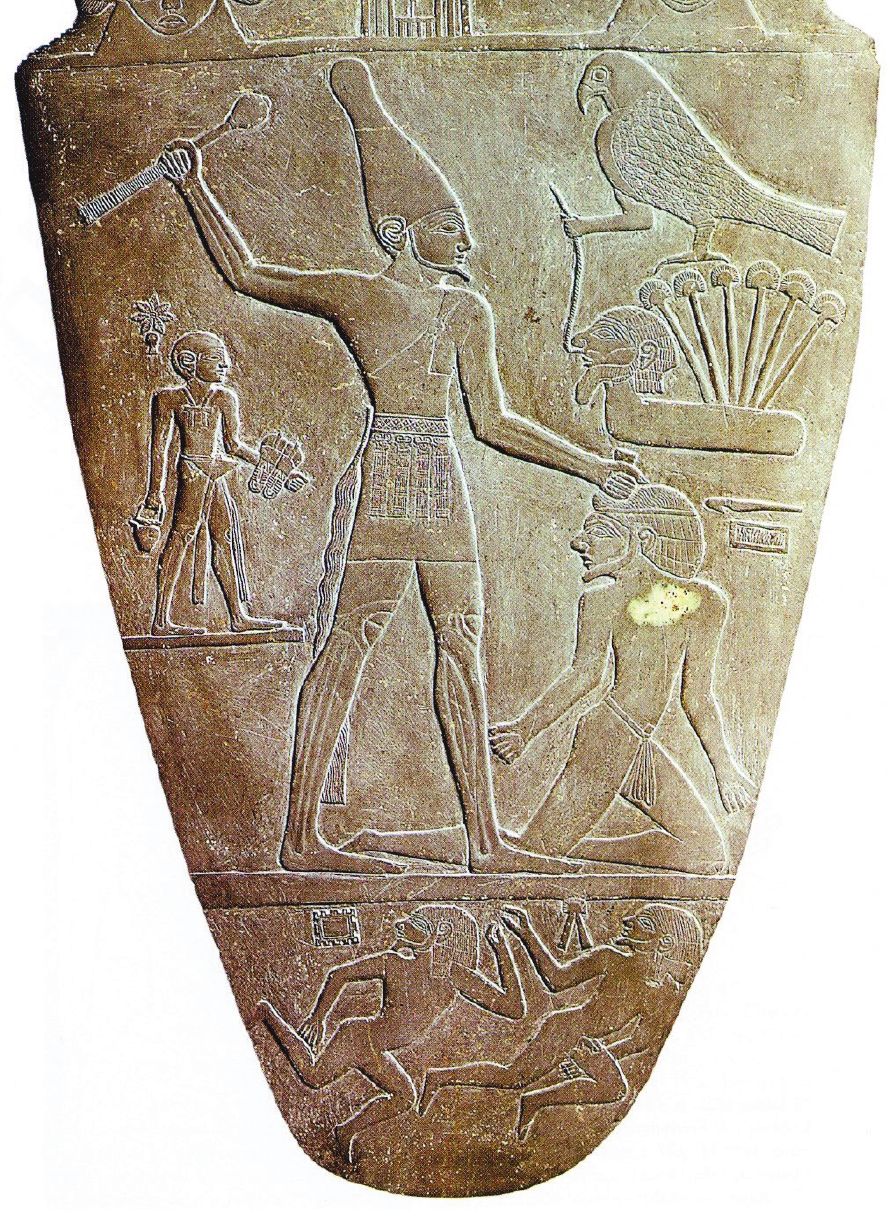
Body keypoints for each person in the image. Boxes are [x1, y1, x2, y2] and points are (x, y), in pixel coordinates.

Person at [157, 57, 629, 874]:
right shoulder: (360, 294)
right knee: (348, 642)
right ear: (400, 233)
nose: (466, 241)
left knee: (461, 642)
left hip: (436, 478)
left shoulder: (463, 308)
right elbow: (248, 274)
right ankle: (301, 835)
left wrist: (588, 464)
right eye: (449, 226)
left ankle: (485, 840)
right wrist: (194, 185)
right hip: (390, 475)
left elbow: (494, 420)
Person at [490, 477, 754, 870]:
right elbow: (585, 675)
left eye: (597, 532)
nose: (580, 543)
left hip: (637, 744)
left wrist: (726, 769)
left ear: (643, 539)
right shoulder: (602, 602)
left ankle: (569, 852)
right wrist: (524, 730)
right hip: (607, 737)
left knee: (708, 855)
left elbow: (697, 697)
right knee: (529, 857)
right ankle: (440, 842)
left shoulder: (705, 604)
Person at [253, 906, 524, 1163]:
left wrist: (502, 949)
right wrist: (318, 1017)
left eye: (418, 927)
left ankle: (345, 1132)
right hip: (358, 1039)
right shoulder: (394, 962)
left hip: (374, 1048)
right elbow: (339, 975)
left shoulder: (454, 975)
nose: (406, 929)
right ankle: (267, 1013)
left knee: (405, 1097)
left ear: (439, 939)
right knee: (313, 1076)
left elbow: (513, 1008)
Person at [418, 901, 703, 1139]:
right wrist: (526, 932)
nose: (627, 921)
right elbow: (557, 979)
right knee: (512, 1077)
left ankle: (534, 1101)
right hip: (567, 1029)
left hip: (588, 1043)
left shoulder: (665, 991)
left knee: (615, 1089)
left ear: (665, 942)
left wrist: (606, 1052)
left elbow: (641, 1040)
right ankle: (439, 1078)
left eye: (643, 923)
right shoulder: (611, 958)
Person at [134, 330, 294, 636]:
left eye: (225, 359)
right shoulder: (169, 399)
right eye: (216, 359)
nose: (225, 365)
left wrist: (277, 471)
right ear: (189, 362)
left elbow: (233, 445)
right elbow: (160, 448)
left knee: (224, 538)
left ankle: (238, 616)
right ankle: (161, 620)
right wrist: (155, 493)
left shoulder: (224, 398)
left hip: (216, 471)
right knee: (181, 537)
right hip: (192, 472)